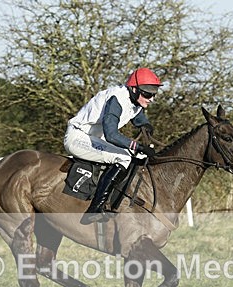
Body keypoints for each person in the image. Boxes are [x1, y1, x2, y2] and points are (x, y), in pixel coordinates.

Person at [64, 67, 162, 224]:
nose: (151, 98)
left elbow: (138, 117)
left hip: (94, 139)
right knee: (123, 157)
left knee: (137, 157)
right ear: (134, 89)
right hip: (78, 138)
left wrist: (146, 126)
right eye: (148, 94)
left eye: (154, 94)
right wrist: (138, 146)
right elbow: (111, 135)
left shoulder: (133, 99)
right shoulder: (116, 99)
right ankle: (95, 209)